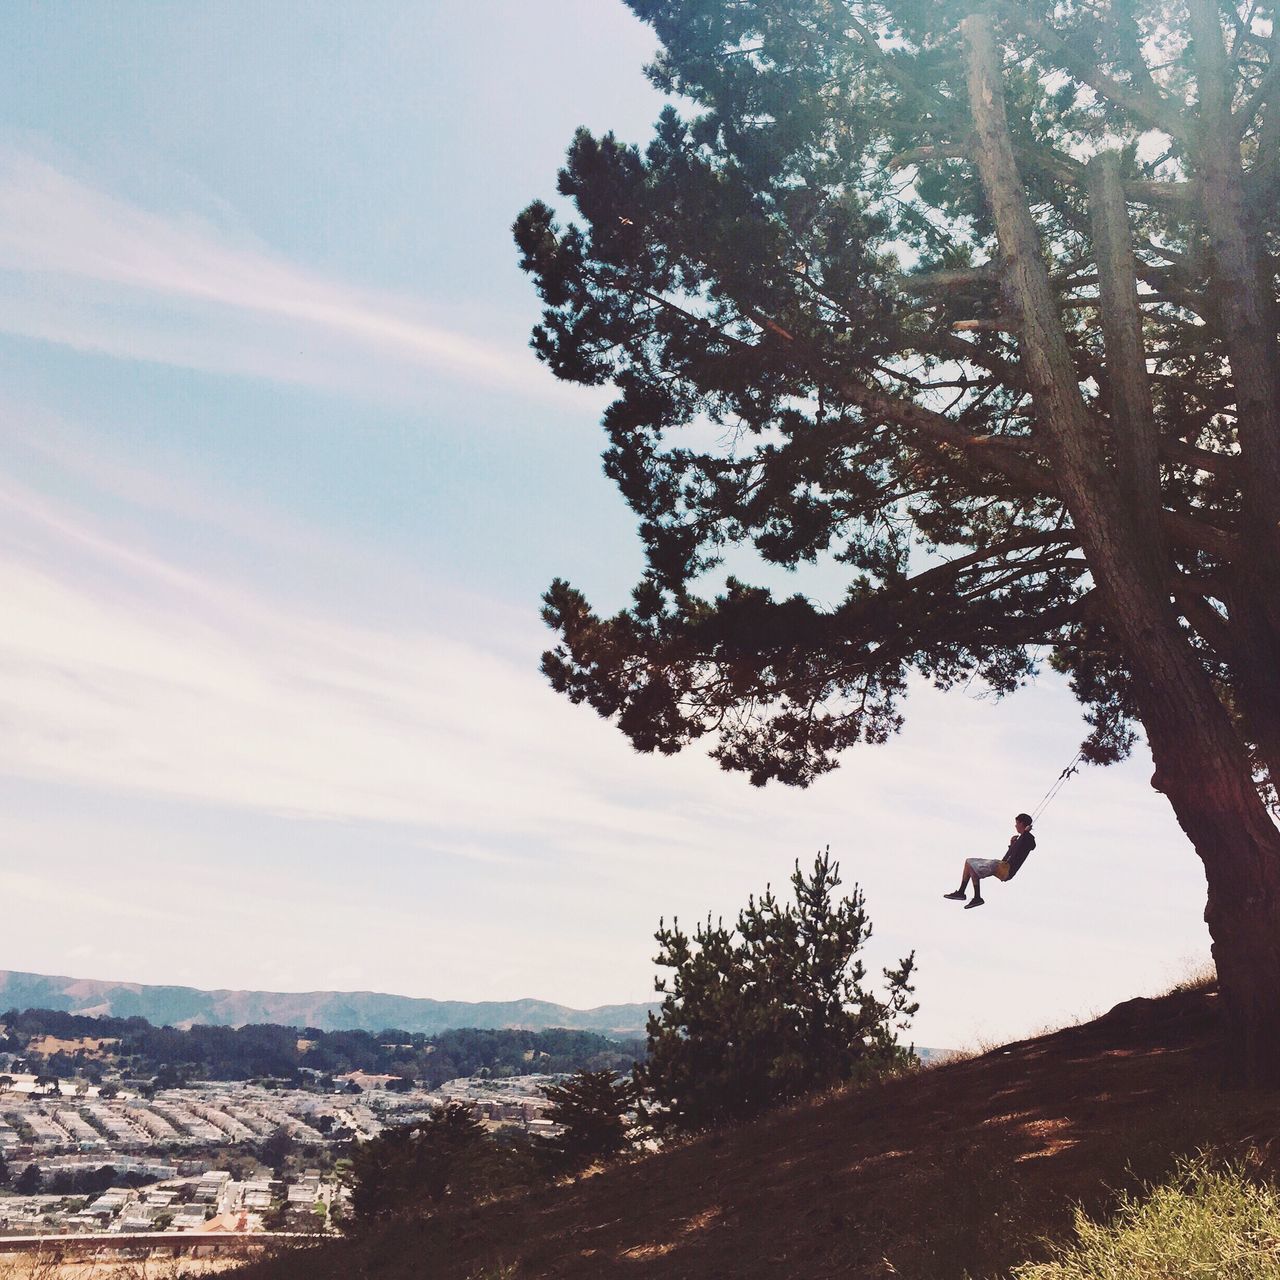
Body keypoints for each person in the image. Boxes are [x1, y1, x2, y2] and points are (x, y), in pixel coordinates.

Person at [943, 813, 1036, 910]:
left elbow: (1031, 846)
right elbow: (1012, 854)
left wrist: (1025, 833)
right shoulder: (1022, 838)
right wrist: (1011, 844)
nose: (1015, 825)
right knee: (969, 862)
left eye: (1017, 823)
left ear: (1022, 824)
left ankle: (977, 898)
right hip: (1002, 866)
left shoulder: (1028, 838)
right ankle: (963, 893)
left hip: (1006, 869)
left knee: (972, 865)